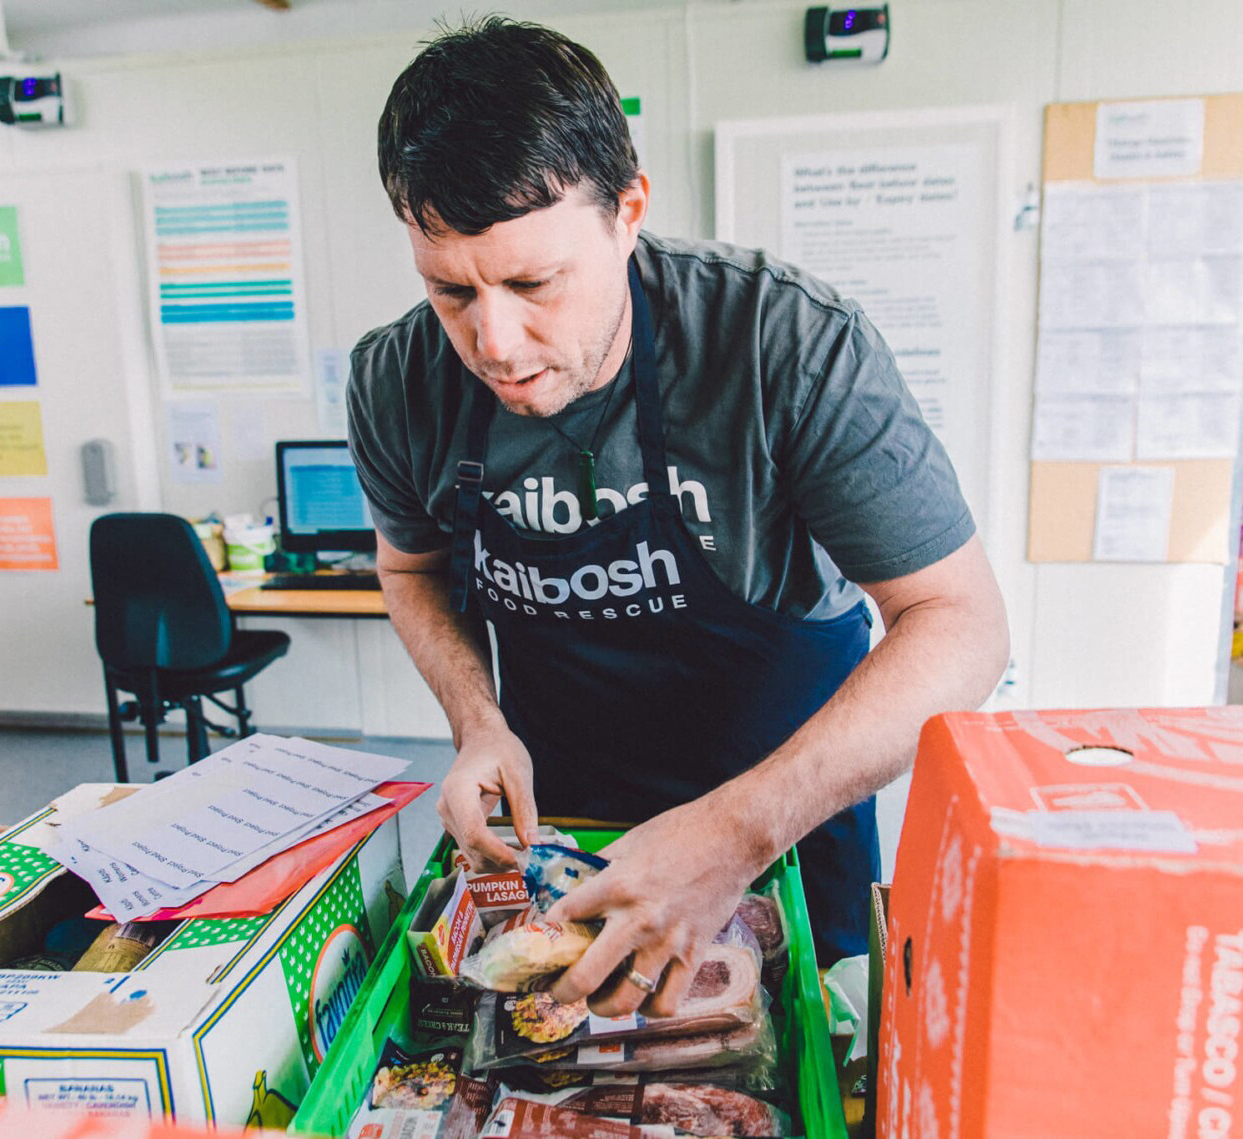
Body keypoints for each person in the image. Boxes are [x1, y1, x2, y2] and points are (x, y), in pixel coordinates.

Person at [347, 17, 1009, 1017]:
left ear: (628, 210)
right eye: (450, 290)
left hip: (783, 824)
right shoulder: (398, 379)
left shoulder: (782, 344)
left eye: (534, 282)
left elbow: (961, 623)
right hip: (562, 831)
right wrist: (476, 722)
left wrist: (735, 834)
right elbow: (409, 570)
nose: (494, 339)